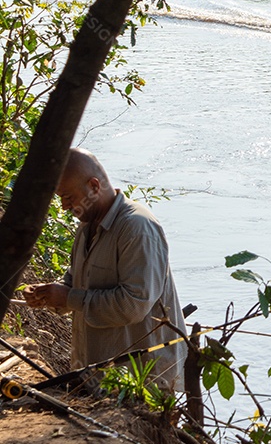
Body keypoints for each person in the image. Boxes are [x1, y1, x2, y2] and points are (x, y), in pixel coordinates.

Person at [24, 148, 187, 391]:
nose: (64, 206)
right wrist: (51, 295)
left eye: (68, 197)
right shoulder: (86, 225)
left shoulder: (137, 228)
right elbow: (77, 282)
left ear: (93, 186)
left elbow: (133, 305)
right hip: (101, 378)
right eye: (60, 198)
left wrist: (69, 297)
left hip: (144, 385)